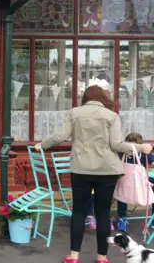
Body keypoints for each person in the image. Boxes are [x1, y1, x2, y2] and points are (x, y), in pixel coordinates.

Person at [34, 86, 153, 263]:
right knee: (103, 213)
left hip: (81, 170)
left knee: (79, 212)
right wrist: (140, 147)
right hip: (107, 171)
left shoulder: (74, 113)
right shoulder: (111, 116)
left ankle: (74, 257)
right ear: (102, 98)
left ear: (85, 98)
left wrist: (42, 144)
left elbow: (60, 136)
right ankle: (102, 257)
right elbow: (117, 145)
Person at [114, 132, 154, 232]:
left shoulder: (122, 153)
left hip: (127, 182)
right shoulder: (144, 154)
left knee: (122, 194)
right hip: (138, 184)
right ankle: (152, 218)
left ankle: (122, 218)